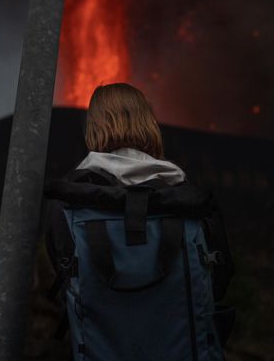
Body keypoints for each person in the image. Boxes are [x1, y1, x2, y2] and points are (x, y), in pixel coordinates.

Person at [44, 83, 235, 360]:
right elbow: (218, 282)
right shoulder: (192, 203)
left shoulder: (66, 204)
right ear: (148, 123)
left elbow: (63, 273)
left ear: (93, 127)